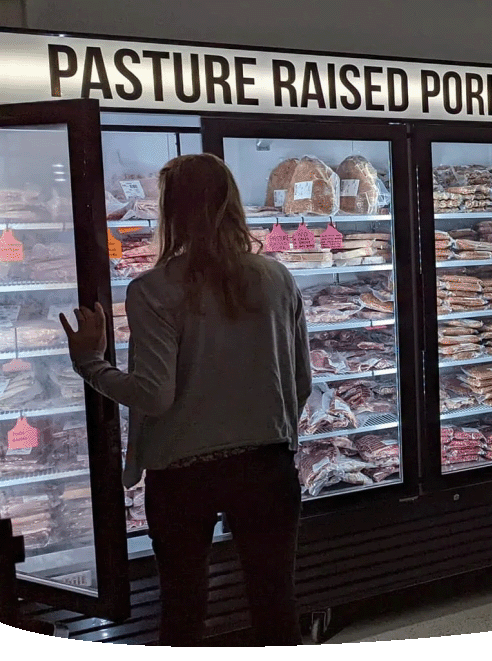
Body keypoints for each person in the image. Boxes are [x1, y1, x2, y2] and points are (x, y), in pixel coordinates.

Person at [59, 153, 311, 646]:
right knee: (276, 606)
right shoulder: (277, 278)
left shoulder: (153, 290)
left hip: (183, 477)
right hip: (267, 468)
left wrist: (91, 363)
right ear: (233, 204)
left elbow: (154, 395)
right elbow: (299, 383)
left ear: (170, 212)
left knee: (183, 612)